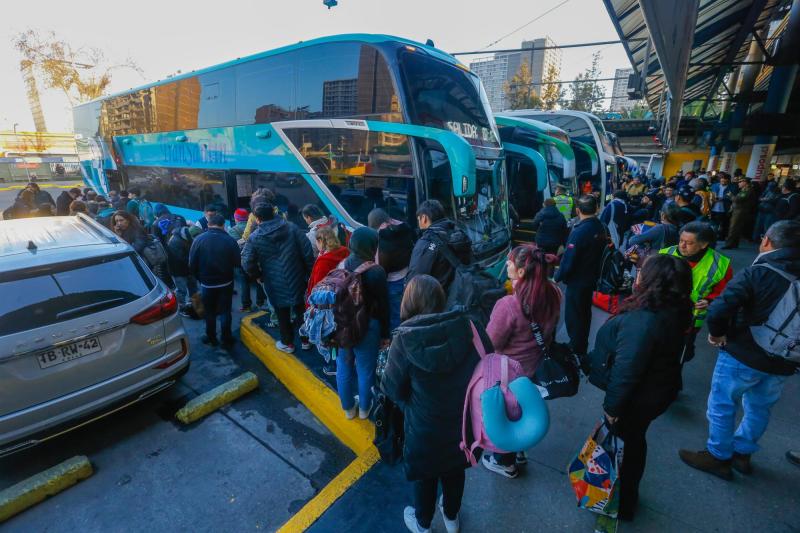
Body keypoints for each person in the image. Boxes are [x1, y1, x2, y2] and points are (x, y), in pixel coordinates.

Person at [679, 221, 800, 479]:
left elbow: (722, 308)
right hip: (785, 359)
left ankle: (718, 455)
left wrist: (717, 334)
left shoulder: (759, 272)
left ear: (767, 240)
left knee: (723, 403)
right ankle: (742, 454)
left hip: (743, 352)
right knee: (759, 408)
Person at [591, 254, 693, 521]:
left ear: (651, 281)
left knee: (626, 446)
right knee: (634, 442)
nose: (636, 274)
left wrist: (612, 408)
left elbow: (627, 370)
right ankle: (625, 496)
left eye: (641, 271)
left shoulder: (643, 319)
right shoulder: (678, 308)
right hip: (657, 391)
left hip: (637, 398)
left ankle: (620, 501)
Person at [382, 275, 487, 533]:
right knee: (456, 470)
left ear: (408, 302)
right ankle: (451, 517)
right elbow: (487, 362)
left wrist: (411, 405)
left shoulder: (404, 340)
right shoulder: (470, 327)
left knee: (426, 478)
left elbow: (392, 388)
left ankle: (423, 524)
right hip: (464, 423)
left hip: (424, 427)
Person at [483, 244, 561, 478]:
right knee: (523, 409)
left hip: (509, 372)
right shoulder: (555, 293)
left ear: (520, 272)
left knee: (509, 414)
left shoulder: (508, 305)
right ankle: (520, 451)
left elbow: (491, 343)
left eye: (510, 262)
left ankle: (504, 462)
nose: (506, 264)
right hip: (535, 367)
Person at [242, 202, 314, 353]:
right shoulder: (292, 228)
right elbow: (307, 251)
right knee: (300, 308)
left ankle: (288, 343)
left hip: (273, 281)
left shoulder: (255, 237)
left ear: (257, 218)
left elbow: (247, 262)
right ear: (274, 213)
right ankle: (306, 340)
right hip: (296, 276)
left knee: (282, 313)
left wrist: (258, 276)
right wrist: (309, 273)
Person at [333, 227, 390, 419]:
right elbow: (383, 306)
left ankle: (348, 409)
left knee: (344, 365)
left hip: (344, 324)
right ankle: (365, 410)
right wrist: (385, 334)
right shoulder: (376, 272)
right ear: (372, 247)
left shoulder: (342, 265)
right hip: (368, 327)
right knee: (366, 370)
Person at [659, 222, 732, 363]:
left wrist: (709, 301)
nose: (682, 245)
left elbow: (725, 294)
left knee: (679, 355)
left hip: (690, 321)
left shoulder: (720, 265)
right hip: (661, 313)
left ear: (704, 244)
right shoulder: (665, 253)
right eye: (681, 240)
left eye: (689, 243)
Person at [555, 195, 607, 358]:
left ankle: (576, 347)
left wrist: (556, 277)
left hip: (578, 281)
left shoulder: (579, 231)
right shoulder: (601, 227)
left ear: (577, 210)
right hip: (591, 278)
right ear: (596, 208)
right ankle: (581, 344)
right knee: (584, 313)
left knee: (574, 315)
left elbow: (569, 260)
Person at [189, 213, 241, 347]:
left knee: (209, 312)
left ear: (208, 225)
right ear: (223, 225)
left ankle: (211, 337)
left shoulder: (199, 240)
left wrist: (200, 279)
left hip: (207, 284)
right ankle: (226, 338)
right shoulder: (229, 240)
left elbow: (192, 264)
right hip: (226, 282)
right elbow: (237, 262)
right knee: (225, 311)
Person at [407, 199, 472, 291]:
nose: (419, 223)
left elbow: (414, 282)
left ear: (424, 218)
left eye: (419, 219)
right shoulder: (459, 232)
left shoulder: (425, 242)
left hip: (440, 299)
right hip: (463, 293)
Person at [369, 208, 416, 331]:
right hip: (408, 277)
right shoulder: (403, 228)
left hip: (392, 283)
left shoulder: (380, 238)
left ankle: (396, 343)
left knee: (395, 316)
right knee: (408, 311)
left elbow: (380, 268)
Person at [168, 226, 202, 317]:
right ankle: (181, 308)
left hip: (189, 269)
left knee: (193, 288)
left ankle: (194, 306)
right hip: (178, 271)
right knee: (181, 290)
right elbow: (181, 259)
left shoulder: (187, 237)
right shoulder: (175, 242)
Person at [723, 176, 757, 249]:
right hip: (738, 210)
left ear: (745, 183)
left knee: (733, 228)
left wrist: (731, 195)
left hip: (740, 212)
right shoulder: (743, 190)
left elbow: (738, 200)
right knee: (736, 228)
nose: (739, 183)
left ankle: (729, 244)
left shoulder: (748, 191)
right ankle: (734, 244)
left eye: (740, 182)